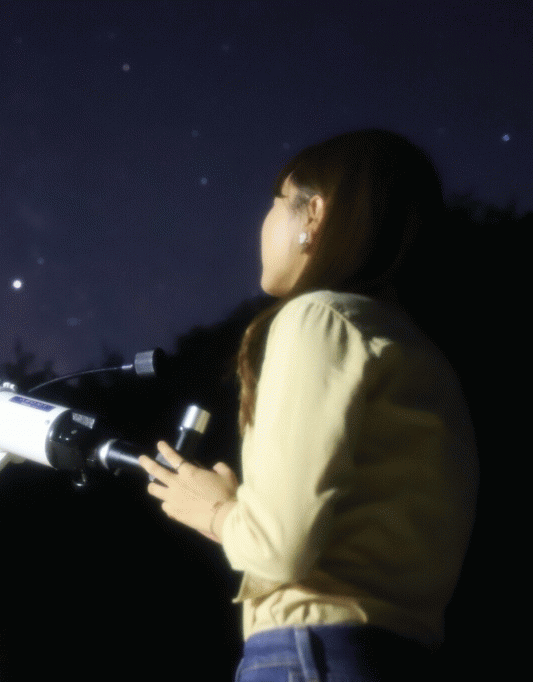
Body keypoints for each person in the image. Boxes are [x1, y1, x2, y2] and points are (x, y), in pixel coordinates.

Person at [139, 130, 478, 682]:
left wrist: (219, 511)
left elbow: (279, 547)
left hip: (310, 655)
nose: (264, 223)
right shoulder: (420, 354)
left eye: (277, 202)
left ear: (313, 214)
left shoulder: (318, 318)